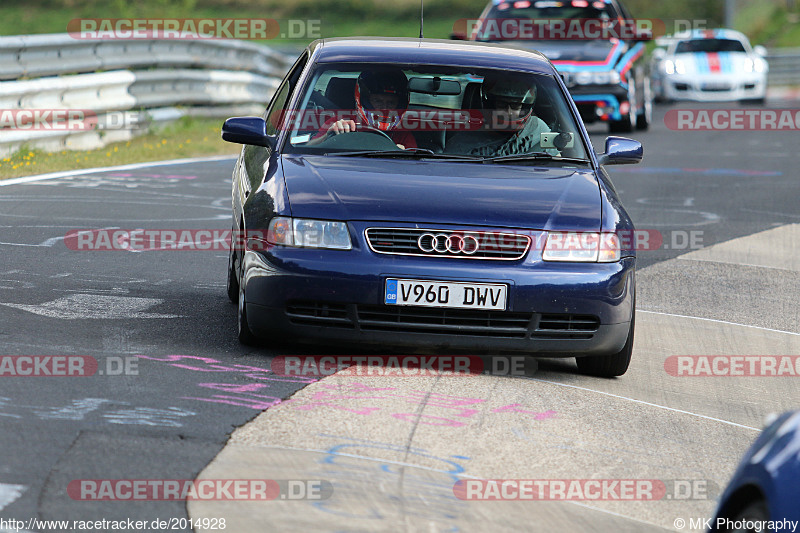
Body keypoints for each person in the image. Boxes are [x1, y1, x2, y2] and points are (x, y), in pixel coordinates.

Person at [446, 75, 556, 157]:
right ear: (490, 104)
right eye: (502, 104)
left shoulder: (538, 129)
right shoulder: (465, 138)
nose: (508, 112)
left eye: (515, 105)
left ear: (525, 106)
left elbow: (559, 161)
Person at [309, 68, 417, 149]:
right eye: (378, 101)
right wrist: (327, 136)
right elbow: (308, 148)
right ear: (364, 100)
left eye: (391, 103)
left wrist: (402, 154)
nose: (384, 108)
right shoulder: (340, 122)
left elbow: (414, 167)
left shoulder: (403, 134)